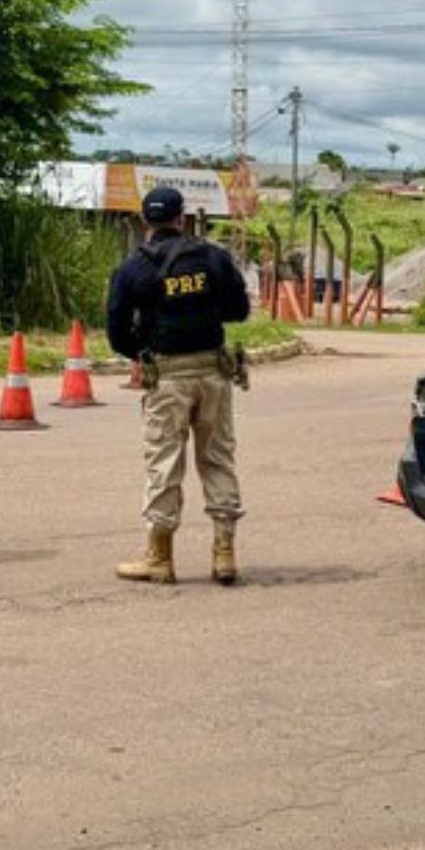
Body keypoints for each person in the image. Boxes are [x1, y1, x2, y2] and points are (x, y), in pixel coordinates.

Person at [106, 186, 250, 585]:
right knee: (218, 459)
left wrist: (142, 351)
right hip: (214, 372)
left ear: (144, 222)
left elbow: (116, 332)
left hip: (166, 376)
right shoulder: (214, 259)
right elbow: (239, 311)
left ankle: (160, 557)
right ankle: (224, 553)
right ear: (182, 219)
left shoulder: (133, 269)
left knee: (164, 463)